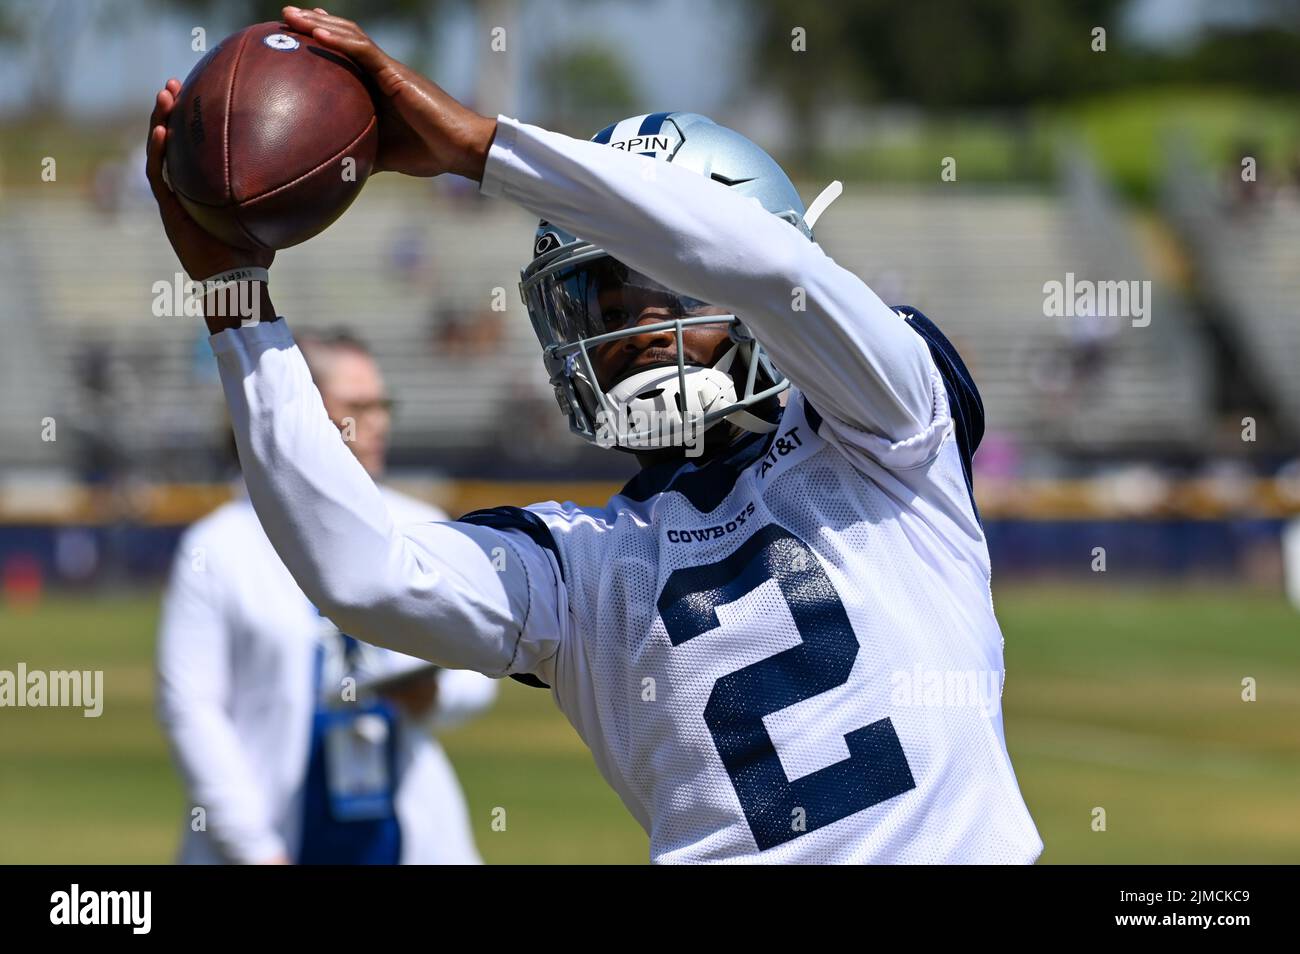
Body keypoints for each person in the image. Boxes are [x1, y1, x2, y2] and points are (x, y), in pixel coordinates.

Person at [145, 5, 1042, 864]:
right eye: (610, 295)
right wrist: (236, 302)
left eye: (669, 280)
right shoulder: (586, 564)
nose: (643, 321)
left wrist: (479, 145)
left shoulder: (887, 431)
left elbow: (770, 269)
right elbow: (360, 572)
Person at [155, 329, 496, 865]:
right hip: (275, 837)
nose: (378, 421)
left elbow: (481, 664)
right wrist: (252, 847)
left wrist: (435, 696)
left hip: (402, 837)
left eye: (384, 405)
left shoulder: (423, 527)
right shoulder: (218, 547)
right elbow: (191, 709)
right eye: (358, 406)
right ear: (301, 408)